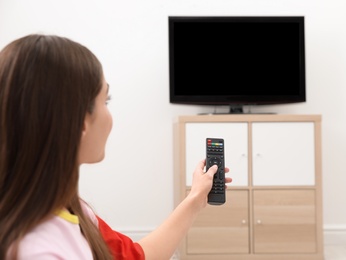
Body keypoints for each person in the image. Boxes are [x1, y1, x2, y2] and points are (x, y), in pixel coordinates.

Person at [0, 34, 232, 260]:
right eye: (106, 100)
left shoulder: (72, 210)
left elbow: (136, 255)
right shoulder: (38, 251)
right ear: (81, 122)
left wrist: (196, 197)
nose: (110, 116)